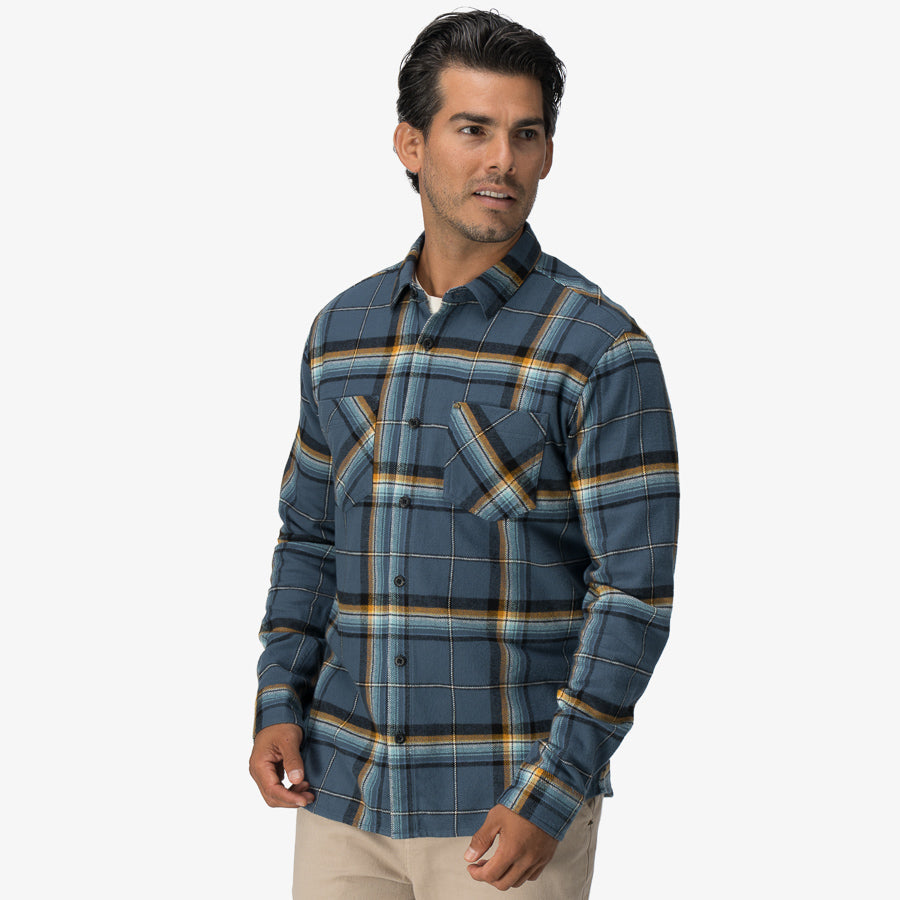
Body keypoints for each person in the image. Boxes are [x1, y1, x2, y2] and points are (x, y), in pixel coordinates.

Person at [249, 10, 679, 897]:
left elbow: (632, 595)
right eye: (473, 130)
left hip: (504, 809)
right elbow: (310, 540)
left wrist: (551, 793)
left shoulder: (599, 347)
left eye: (526, 135)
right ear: (410, 144)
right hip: (342, 792)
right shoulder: (342, 331)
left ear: (548, 155)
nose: (502, 162)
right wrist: (278, 701)